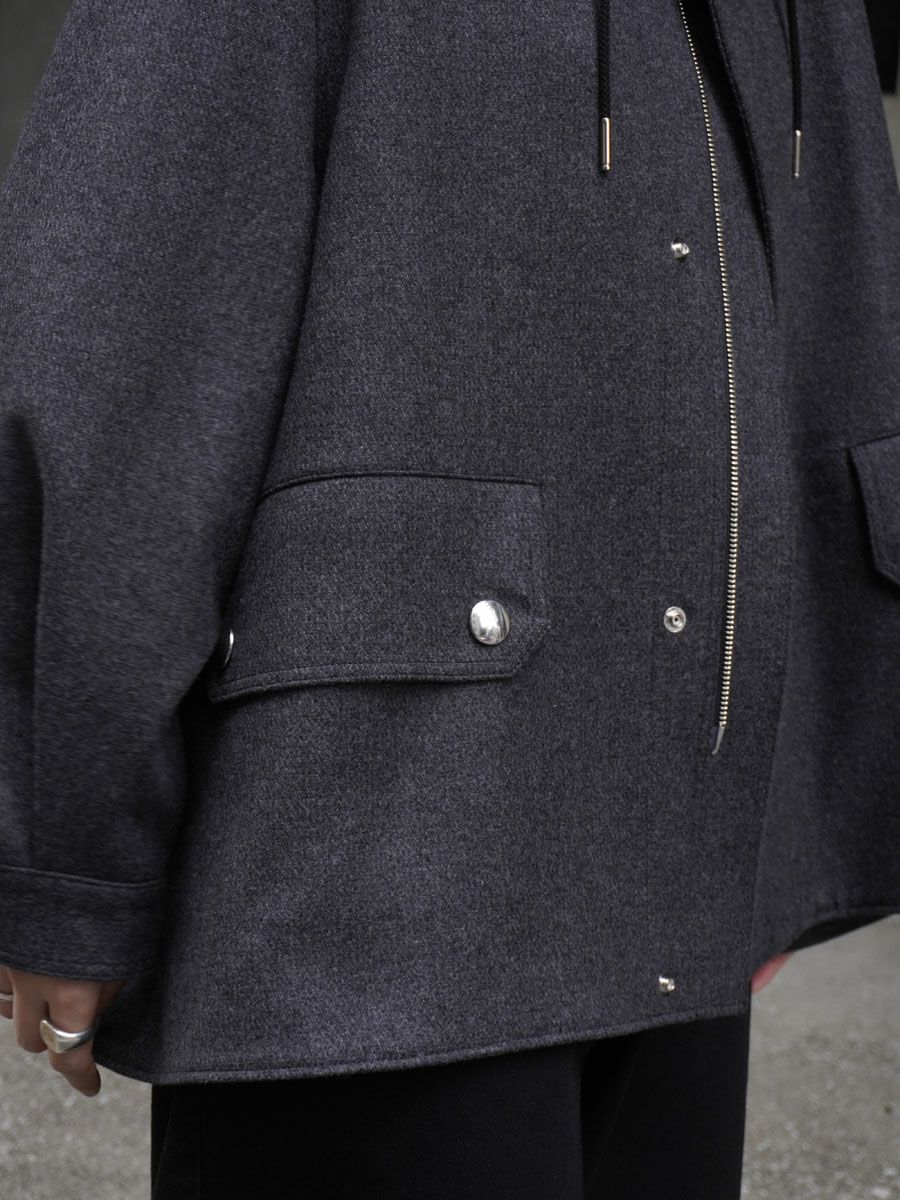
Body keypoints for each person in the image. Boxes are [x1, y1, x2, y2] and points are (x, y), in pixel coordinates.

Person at [1, 0, 898, 1195]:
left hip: (671, 862)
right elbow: (118, 337)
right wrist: (67, 868)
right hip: (366, 880)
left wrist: (777, 809)